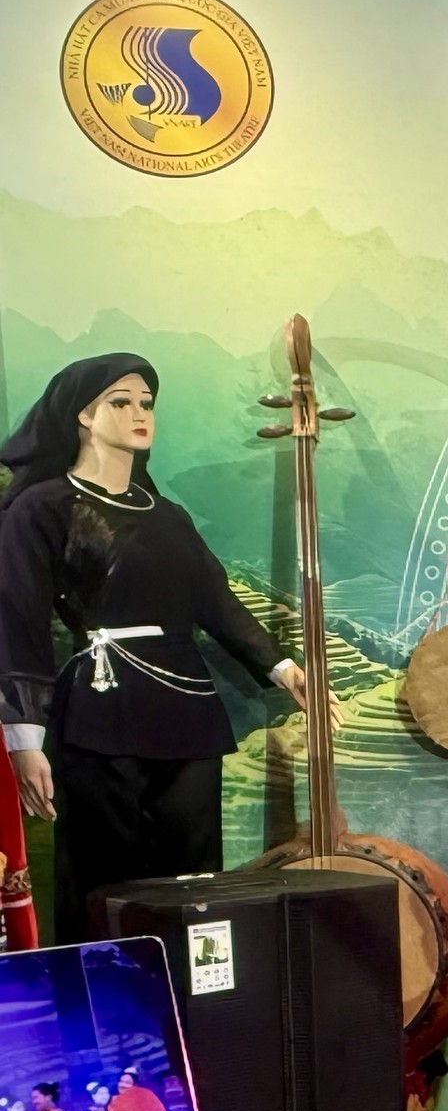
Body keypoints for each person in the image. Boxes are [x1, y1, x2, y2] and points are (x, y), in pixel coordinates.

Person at [0, 356, 320, 940]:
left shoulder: (168, 516)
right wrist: (24, 739)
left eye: (146, 402)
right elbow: (18, 621)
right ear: (83, 416)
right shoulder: (42, 508)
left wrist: (282, 667)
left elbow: (216, 602)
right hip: (99, 709)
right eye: (120, 402)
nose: (139, 413)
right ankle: (111, 989)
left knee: (195, 881)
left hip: (187, 711)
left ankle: (196, 993)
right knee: (104, 876)